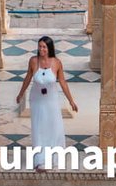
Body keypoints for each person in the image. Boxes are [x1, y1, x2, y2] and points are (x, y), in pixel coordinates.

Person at [14, 35, 77, 169]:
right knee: (39, 128)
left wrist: (71, 101)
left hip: (51, 99)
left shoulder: (57, 63)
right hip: (37, 100)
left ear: (49, 48)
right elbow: (27, 78)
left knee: (54, 126)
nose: (41, 49)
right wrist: (20, 94)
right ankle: (40, 160)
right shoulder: (33, 61)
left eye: (44, 47)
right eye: (40, 46)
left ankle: (54, 157)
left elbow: (63, 83)